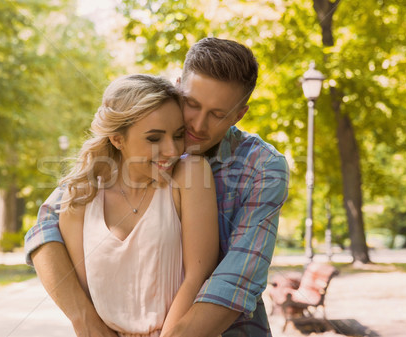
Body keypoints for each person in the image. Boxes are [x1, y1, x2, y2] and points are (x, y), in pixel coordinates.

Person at [25, 37, 289, 336]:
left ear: (239, 115)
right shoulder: (137, 138)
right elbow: (46, 226)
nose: (198, 126)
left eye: (218, 115)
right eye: (191, 104)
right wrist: (84, 319)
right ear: (178, 87)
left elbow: (236, 279)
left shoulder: (261, 167)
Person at [44, 74, 219, 337]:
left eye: (178, 135)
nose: (172, 150)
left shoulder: (191, 175)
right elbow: (87, 299)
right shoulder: (80, 199)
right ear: (117, 139)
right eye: (154, 138)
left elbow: (198, 277)